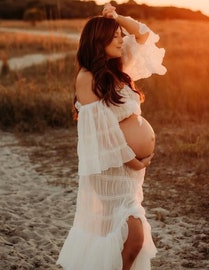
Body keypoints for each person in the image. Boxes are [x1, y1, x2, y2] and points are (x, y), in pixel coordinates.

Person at [57, 3, 166, 270]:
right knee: (130, 235)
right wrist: (134, 160)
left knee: (127, 239)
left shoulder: (118, 68)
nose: (121, 39)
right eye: (114, 35)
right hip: (110, 168)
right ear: (97, 41)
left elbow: (144, 35)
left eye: (120, 35)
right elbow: (102, 131)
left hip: (128, 171)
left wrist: (117, 17)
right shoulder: (87, 78)